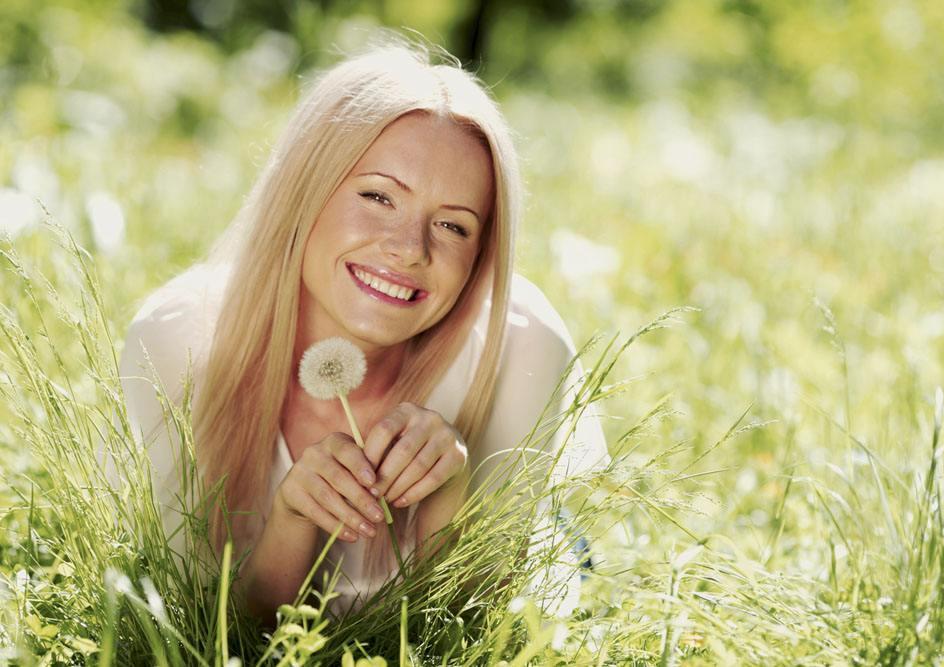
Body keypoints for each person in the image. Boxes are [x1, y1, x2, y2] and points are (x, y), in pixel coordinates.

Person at [115, 41, 607, 621]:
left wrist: (449, 497)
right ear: (305, 190)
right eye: (377, 196)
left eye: (452, 225)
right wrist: (290, 526)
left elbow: (469, 631)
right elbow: (194, 628)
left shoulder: (522, 347)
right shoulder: (175, 343)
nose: (408, 249)